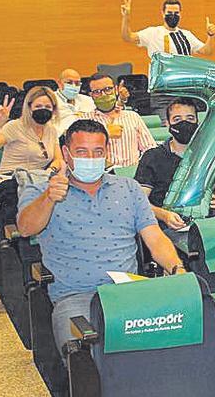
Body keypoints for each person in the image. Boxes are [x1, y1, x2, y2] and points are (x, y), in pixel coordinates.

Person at [16, 119, 184, 355]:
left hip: (129, 290)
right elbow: (25, 228)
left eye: (97, 152)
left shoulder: (128, 188)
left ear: (107, 153)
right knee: (88, 359)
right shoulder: (42, 189)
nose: (90, 158)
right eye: (81, 152)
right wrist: (49, 198)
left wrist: (177, 268)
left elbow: (154, 237)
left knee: (174, 346)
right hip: (76, 297)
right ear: (66, 153)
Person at [135, 98, 215, 232]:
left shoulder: (212, 154)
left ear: (198, 123)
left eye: (190, 118)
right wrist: (164, 215)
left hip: (209, 225)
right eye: (177, 119)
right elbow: (139, 201)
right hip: (170, 228)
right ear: (167, 124)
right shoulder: (152, 157)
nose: (184, 123)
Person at [0, 87, 64, 230]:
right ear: (29, 107)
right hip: (11, 180)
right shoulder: (14, 126)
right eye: (38, 106)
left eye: (47, 107)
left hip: (39, 179)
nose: (43, 109)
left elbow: (59, 160)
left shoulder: (51, 130)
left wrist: (49, 170)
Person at [83, 73, 156, 167]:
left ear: (116, 89)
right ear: (91, 95)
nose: (104, 95)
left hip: (133, 173)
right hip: (102, 175)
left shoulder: (133, 117)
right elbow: (80, 151)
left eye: (108, 89)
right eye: (97, 92)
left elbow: (150, 148)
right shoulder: (84, 120)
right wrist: (105, 135)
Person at [120, 0, 215, 57]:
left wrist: (210, 36)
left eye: (176, 13)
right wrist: (126, 17)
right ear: (163, 13)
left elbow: (207, 51)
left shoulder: (186, 35)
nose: (173, 15)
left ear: (180, 14)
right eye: (169, 13)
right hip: (162, 81)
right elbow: (128, 37)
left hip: (183, 78)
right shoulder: (152, 33)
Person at [54, 69, 95, 135]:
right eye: (69, 83)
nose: (74, 86)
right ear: (59, 83)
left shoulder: (88, 100)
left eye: (77, 83)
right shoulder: (50, 101)